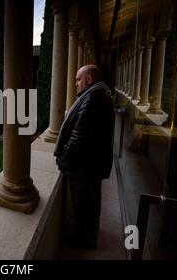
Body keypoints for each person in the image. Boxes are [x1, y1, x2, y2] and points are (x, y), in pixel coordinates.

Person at [54, 64, 114, 249]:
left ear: (88, 80)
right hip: (92, 164)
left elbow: (78, 138)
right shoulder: (98, 95)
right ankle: (88, 235)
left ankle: (85, 241)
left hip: (85, 166)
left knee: (85, 205)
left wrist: (62, 159)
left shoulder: (92, 99)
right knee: (91, 203)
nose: (76, 84)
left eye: (78, 80)